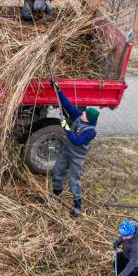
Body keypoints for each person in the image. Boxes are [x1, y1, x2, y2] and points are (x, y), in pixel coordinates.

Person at [50, 79, 99, 218]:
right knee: (58, 171)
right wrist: (58, 90)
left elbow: (77, 140)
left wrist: (66, 128)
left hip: (77, 157)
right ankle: (55, 193)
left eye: (85, 114)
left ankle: (77, 205)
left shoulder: (91, 131)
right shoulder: (78, 116)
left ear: (88, 119)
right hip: (66, 152)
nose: (82, 113)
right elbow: (67, 105)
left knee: (74, 180)